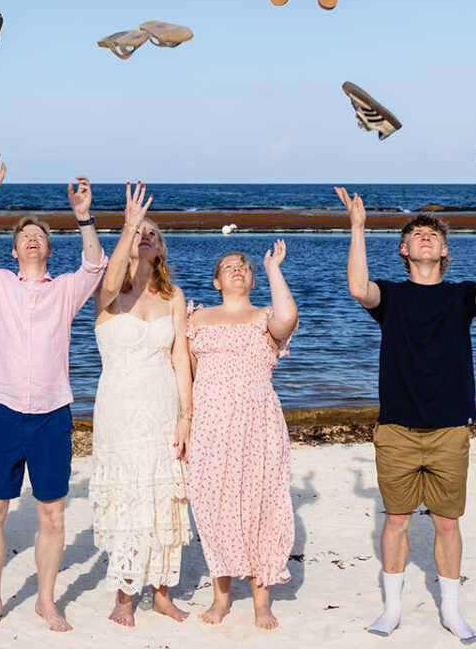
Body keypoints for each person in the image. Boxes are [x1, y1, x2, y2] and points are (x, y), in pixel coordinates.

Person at [335, 183, 476, 644]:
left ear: (443, 252)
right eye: (416, 233)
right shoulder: (393, 299)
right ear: (403, 249)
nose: (424, 236)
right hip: (397, 428)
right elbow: (359, 287)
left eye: (433, 235)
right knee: (395, 520)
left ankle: (452, 613)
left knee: (447, 522)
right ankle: (391, 609)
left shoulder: (459, 297)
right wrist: (357, 227)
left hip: (449, 430)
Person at [0, 152, 107, 632]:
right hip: (1, 412)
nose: (32, 240)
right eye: (24, 237)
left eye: (40, 236)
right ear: (16, 252)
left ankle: (46, 599)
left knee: (54, 518)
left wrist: (83, 214)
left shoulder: (66, 289)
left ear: (47, 250)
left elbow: (95, 264)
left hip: (51, 415)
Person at [89, 182, 193, 626]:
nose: (146, 235)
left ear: (161, 249)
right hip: (119, 404)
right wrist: (129, 224)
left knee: (164, 497)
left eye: (152, 232)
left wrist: (187, 416)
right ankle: (124, 598)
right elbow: (111, 280)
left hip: (162, 403)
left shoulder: (174, 297)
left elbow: (180, 359)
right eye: (139, 232)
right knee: (129, 497)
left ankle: (163, 593)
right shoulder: (108, 291)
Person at [185, 241, 298, 630]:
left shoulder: (266, 316)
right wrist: (185, 419)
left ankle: (261, 600)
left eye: (244, 267)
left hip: (258, 424)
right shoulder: (196, 319)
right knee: (213, 509)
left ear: (252, 280)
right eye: (229, 267)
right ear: (216, 281)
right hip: (210, 427)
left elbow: (289, 316)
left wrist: (273, 268)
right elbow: (189, 374)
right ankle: (221, 596)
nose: (238, 269)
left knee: (260, 507)